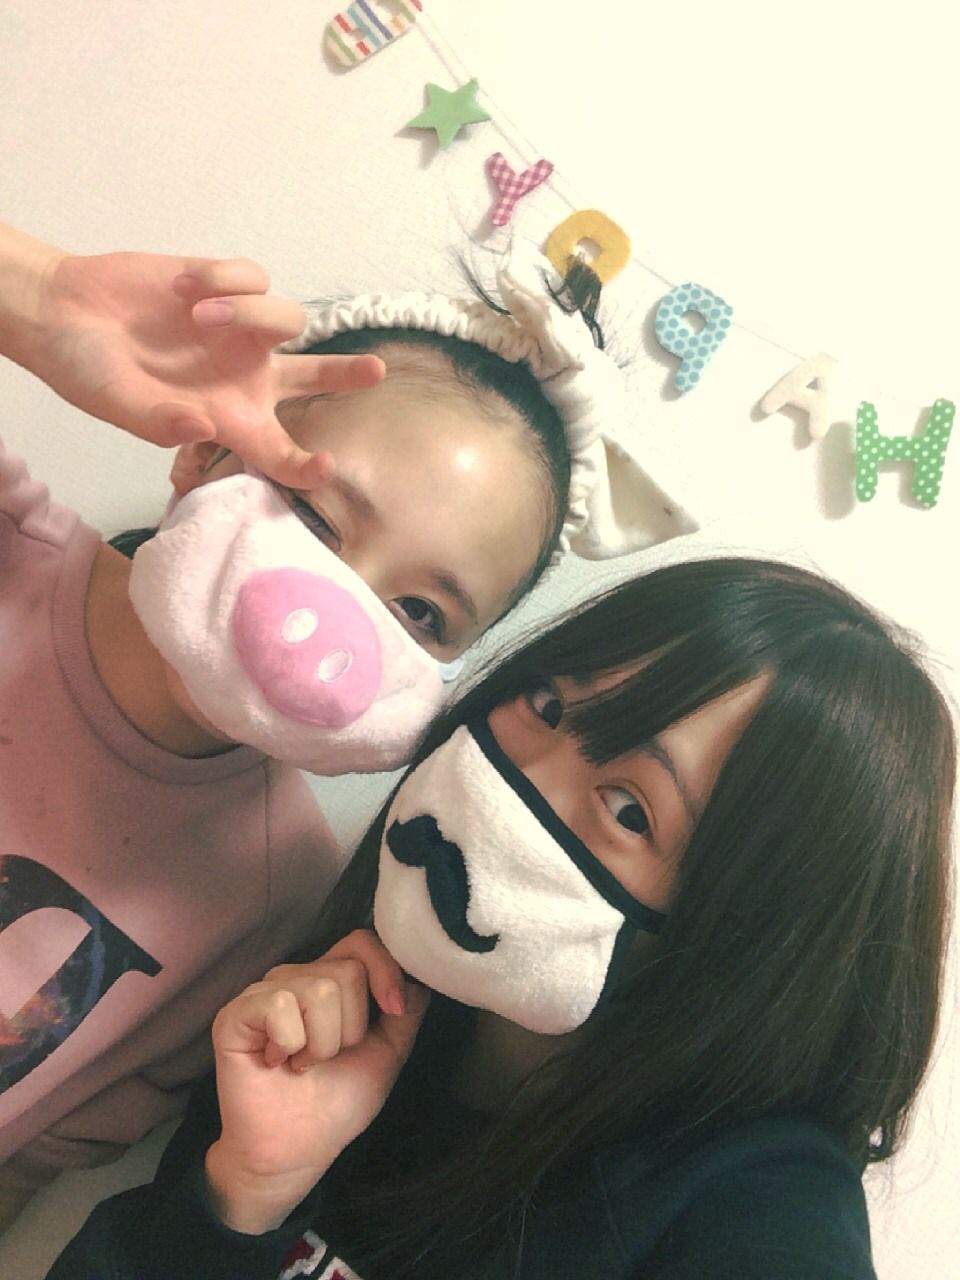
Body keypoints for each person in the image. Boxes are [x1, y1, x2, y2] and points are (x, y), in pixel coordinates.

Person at [0, 222, 690, 1227]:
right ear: (207, 451)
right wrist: (37, 293)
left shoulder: (273, 900)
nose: (324, 618)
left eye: (419, 612)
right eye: (316, 515)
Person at [47, 556, 955, 1279]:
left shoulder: (748, 1201)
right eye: (549, 707)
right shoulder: (339, 1013)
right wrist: (245, 1193)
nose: (504, 788)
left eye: (630, 809)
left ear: (735, 939)